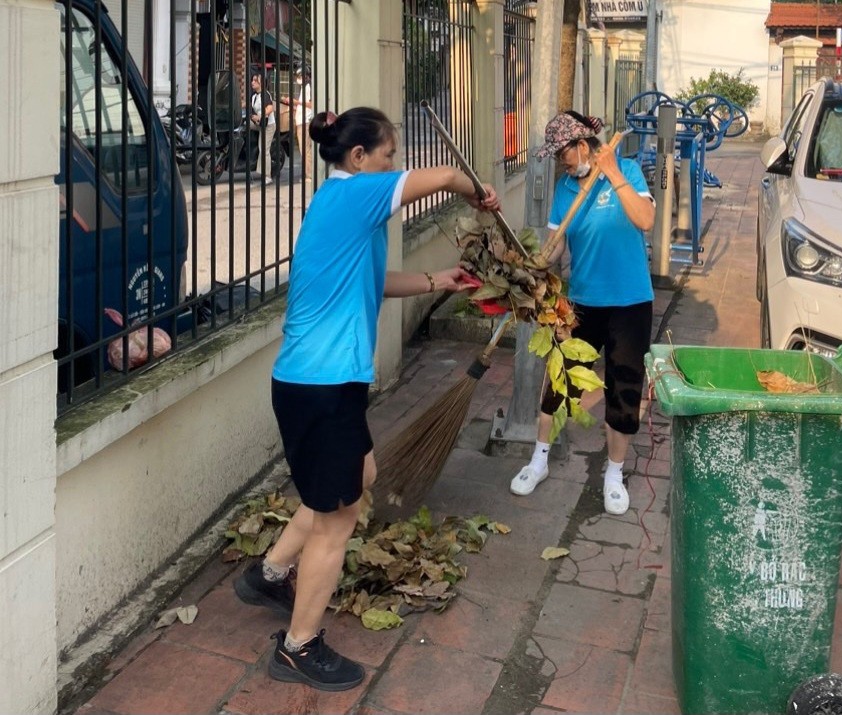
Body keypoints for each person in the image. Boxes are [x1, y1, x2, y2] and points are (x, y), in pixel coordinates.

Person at [232, 106, 501, 691]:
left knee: (362, 473)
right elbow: (446, 178)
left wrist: (437, 281)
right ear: (359, 158)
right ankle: (298, 649)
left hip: (328, 382)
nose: (393, 166)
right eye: (388, 156)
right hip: (318, 385)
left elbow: (371, 284)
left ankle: (271, 574)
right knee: (340, 515)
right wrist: (478, 191)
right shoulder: (353, 194)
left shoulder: (344, 213)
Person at [509, 110, 656, 516]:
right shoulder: (564, 188)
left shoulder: (627, 170)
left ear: (582, 145)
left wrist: (613, 174)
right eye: (557, 156)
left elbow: (645, 218)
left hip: (629, 303)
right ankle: (538, 459)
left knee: (623, 388)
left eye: (563, 153)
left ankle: (613, 473)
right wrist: (538, 264)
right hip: (583, 302)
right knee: (560, 381)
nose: (562, 161)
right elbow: (558, 243)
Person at [282, 67, 314, 183]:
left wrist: (296, 102)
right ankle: (308, 173)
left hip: (305, 121)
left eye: (300, 77)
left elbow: (311, 104)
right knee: (303, 149)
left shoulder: (309, 87)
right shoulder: (304, 88)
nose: (298, 79)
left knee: (306, 149)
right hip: (301, 120)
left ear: (305, 76)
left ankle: (309, 175)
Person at [249, 73, 276, 184]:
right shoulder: (254, 96)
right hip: (259, 124)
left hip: (268, 126)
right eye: (252, 80)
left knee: (264, 149)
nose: (252, 82)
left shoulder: (265, 94)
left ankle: (268, 176)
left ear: (261, 82)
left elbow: (270, 108)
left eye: (255, 80)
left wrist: (260, 116)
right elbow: (248, 105)